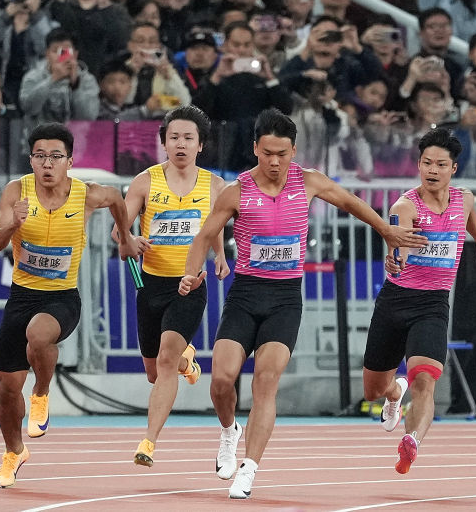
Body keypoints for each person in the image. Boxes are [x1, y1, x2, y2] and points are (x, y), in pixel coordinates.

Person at [178, 108, 426, 499]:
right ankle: (229, 431)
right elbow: (204, 235)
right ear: (255, 148)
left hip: (285, 300)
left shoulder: (308, 181)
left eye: (282, 153)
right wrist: (191, 274)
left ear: (294, 151)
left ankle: (249, 468)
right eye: (267, 153)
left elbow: (350, 202)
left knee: (265, 382)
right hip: (245, 296)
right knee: (222, 382)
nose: (274, 162)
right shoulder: (237, 191)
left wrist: (385, 230)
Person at [0, 122, 141, 488]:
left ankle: (41, 392)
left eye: (55, 156)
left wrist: (125, 237)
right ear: (31, 160)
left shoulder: (86, 195)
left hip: (61, 298)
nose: (47, 163)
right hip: (21, 296)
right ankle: (13, 452)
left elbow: (117, 198)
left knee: (38, 335)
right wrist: (13, 226)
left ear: (69, 161)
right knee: (7, 388)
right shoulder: (17, 192)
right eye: (40, 156)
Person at [367, 127, 476, 475]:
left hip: (433, 305)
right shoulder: (405, 206)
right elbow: (397, 245)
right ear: (418, 164)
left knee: (425, 381)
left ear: (453, 168)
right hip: (395, 302)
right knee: (373, 390)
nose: (432, 170)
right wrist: (395, 259)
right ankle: (394, 394)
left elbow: (468, 219)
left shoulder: (464, 199)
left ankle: (412, 440)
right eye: (426, 163)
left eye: (440, 164)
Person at [110, 106, 229, 468]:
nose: (180, 144)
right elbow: (119, 230)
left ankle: (148, 441)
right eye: (174, 137)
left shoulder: (215, 186)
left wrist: (221, 256)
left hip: (190, 284)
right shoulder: (145, 182)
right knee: (154, 371)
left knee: (164, 361)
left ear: (200, 145)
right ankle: (186, 359)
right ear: (163, 142)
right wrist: (130, 240)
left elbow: (213, 227)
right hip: (150, 285)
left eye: (188, 138)